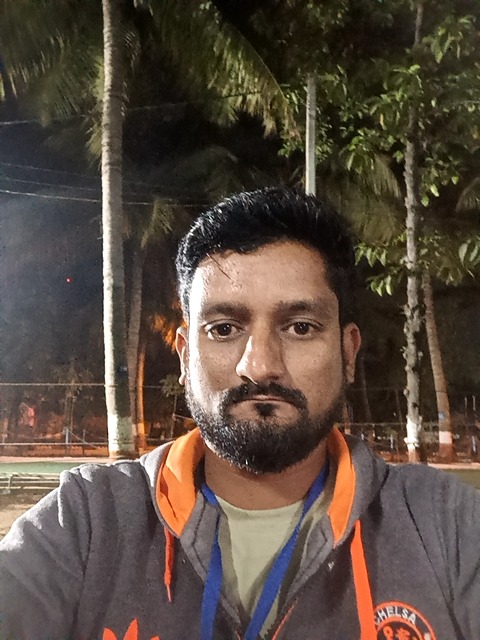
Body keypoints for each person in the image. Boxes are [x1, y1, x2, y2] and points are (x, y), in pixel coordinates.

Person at [1, 187, 479, 640]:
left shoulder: (445, 525)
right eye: (224, 328)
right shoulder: (85, 523)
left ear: (348, 352)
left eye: (300, 327)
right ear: (184, 356)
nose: (260, 365)